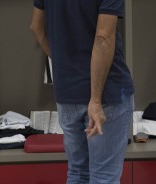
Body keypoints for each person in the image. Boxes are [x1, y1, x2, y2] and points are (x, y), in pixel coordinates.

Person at [30, 1, 134, 183]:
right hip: (105, 95)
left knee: (78, 173)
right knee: (104, 177)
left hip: (67, 93)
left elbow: (36, 27)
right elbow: (103, 37)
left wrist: (66, 64)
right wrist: (95, 100)